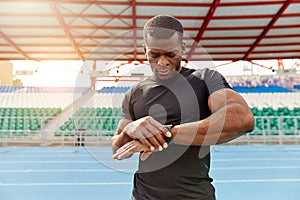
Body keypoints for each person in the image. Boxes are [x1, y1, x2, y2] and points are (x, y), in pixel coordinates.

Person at [110, 14, 254, 200]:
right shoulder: (135, 93)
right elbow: (116, 149)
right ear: (145, 50)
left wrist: (166, 134)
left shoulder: (205, 80)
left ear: (183, 48)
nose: (162, 62)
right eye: (154, 54)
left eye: (171, 54)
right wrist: (129, 130)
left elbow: (242, 118)